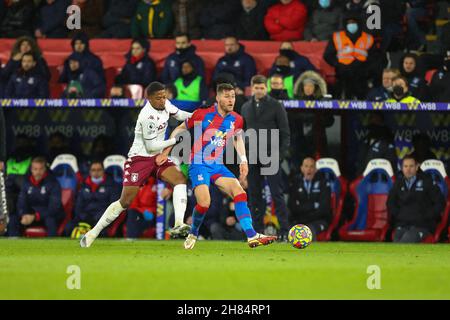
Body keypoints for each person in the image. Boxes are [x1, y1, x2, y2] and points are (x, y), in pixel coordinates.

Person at [161, 83, 278, 249]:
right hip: (198, 164)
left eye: (233, 96)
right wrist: (167, 150)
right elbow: (180, 128)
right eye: (227, 96)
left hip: (217, 165)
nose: (231, 100)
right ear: (218, 98)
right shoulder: (202, 114)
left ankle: (252, 236)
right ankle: (193, 233)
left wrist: (243, 160)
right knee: (204, 203)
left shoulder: (237, 119)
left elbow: (237, 138)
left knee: (239, 193)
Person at [80, 82, 192, 248]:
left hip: (157, 157)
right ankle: (93, 233)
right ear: (149, 99)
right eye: (158, 98)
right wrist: (176, 140)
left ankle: (178, 223)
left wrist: (198, 115)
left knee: (180, 180)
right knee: (125, 201)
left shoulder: (165, 103)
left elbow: (180, 115)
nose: (162, 100)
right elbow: (151, 146)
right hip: (139, 159)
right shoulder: (147, 116)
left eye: (164, 96)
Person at [240, 75, 291, 241]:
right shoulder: (246, 107)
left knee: (277, 194)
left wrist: (280, 156)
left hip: (271, 156)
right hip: (253, 156)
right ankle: (257, 231)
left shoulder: (276, 106)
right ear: (251, 88)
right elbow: (242, 133)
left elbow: (285, 132)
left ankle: (284, 230)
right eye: (257, 87)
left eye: (262, 88)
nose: (259, 90)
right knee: (254, 195)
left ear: (266, 88)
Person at [387, 155, 445, 243]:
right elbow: (390, 203)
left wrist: (427, 216)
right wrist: (399, 215)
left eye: (411, 166)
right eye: (405, 166)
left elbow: (440, 202)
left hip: (422, 226)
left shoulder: (427, 182)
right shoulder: (398, 183)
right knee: (396, 241)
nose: (408, 169)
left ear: (417, 167)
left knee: (406, 240)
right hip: (403, 224)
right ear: (402, 168)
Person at [323, 13, 376, 99]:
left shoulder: (368, 38)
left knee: (362, 98)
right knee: (342, 96)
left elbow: (374, 56)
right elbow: (327, 55)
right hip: (343, 73)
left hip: (361, 73)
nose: (351, 25)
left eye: (354, 22)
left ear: (359, 23)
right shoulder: (337, 37)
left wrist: (366, 67)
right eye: (349, 23)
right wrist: (338, 64)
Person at [8, 157, 65, 237]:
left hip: (47, 215)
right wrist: (23, 215)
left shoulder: (53, 183)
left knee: (50, 220)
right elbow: (21, 202)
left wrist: (36, 216)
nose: (38, 172)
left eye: (41, 169)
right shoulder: (26, 182)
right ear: (31, 170)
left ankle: (52, 245)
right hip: (30, 215)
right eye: (35, 169)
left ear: (45, 169)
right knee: (13, 218)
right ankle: (13, 245)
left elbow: (54, 208)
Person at [65, 161, 119, 237]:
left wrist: (97, 218)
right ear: (90, 171)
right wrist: (83, 216)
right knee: (68, 227)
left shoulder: (112, 185)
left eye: (99, 170)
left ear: (103, 171)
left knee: (102, 232)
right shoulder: (83, 185)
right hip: (84, 218)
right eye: (93, 170)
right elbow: (78, 206)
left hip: (101, 219)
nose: (96, 172)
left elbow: (113, 206)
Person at [288, 157, 331, 240]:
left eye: (311, 167)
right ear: (302, 168)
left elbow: (324, 208)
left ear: (315, 169)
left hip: (319, 220)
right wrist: (313, 205)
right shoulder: (295, 183)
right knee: (288, 230)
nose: (309, 169)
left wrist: (302, 208)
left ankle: (312, 253)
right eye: (306, 166)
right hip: (299, 220)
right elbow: (292, 206)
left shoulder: (323, 183)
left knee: (308, 231)